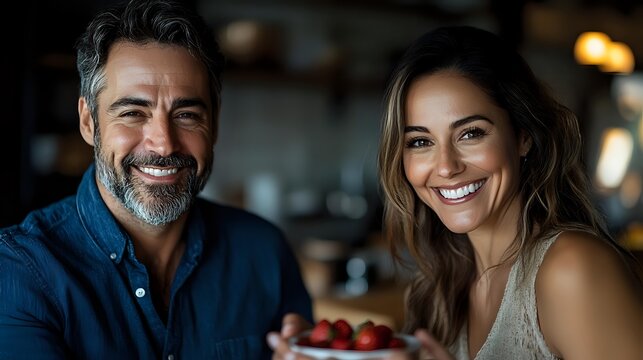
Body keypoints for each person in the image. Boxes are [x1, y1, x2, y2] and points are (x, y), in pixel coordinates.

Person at [268, 25, 643, 360]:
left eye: (471, 133)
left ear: (523, 136)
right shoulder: (445, 285)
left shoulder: (572, 268)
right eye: (420, 141)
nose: (445, 166)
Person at [0, 0, 312, 359]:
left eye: (186, 114)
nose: (164, 144)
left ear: (215, 122)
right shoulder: (19, 273)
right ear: (89, 121)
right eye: (133, 112)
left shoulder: (264, 252)